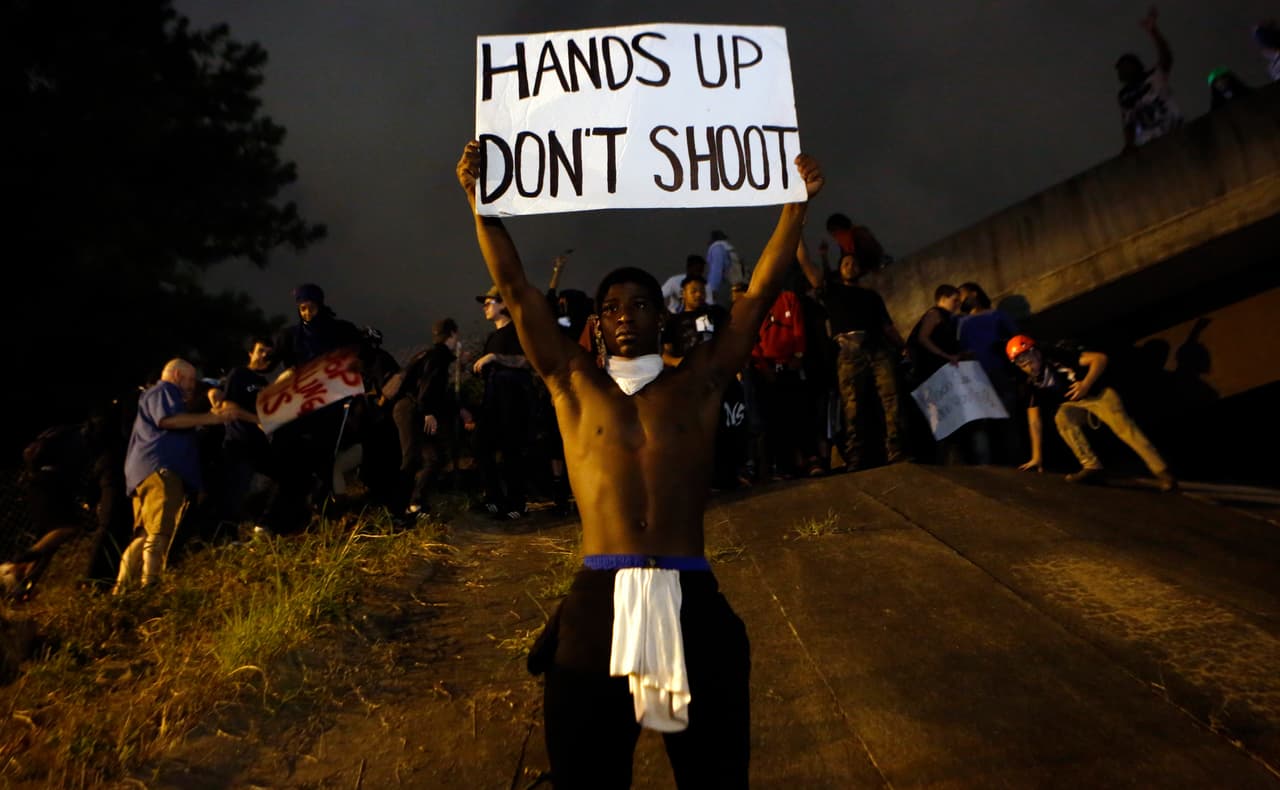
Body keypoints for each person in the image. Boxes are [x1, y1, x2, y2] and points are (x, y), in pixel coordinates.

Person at [457, 139, 824, 788]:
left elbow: (760, 293)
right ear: (595, 327)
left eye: (641, 305)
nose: (626, 315)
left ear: (663, 318)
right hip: (601, 597)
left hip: (689, 596)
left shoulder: (699, 384)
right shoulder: (574, 384)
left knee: (714, 777)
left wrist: (793, 209)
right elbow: (516, 290)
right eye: (612, 308)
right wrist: (481, 206)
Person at [115, 359, 242, 593]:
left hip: (144, 471)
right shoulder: (165, 391)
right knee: (160, 530)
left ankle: (120, 589)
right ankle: (150, 585)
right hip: (162, 468)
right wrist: (212, 418)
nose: (193, 386)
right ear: (176, 375)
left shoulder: (159, 396)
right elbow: (167, 420)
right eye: (191, 380)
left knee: (143, 534)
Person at [1008, 335, 1178, 492]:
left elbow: (1100, 359)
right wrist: (1036, 457)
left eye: (1029, 360)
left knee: (1125, 429)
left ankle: (1163, 473)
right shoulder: (1031, 383)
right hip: (1077, 404)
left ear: (1036, 352)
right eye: (1022, 364)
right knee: (1063, 417)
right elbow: (1034, 421)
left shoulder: (1057, 355)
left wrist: (1086, 384)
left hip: (1099, 395)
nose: (1028, 367)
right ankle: (1091, 466)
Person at [796, 236, 907, 471]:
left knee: (890, 398)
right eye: (845, 263)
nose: (850, 267)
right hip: (848, 350)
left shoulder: (871, 296)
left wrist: (903, 346)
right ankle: (855, 455)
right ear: (839, 269)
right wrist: (797, 231)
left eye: (854, 263)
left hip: (876, 348)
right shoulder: (832, 291)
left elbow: (888, 327)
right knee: (852, 405)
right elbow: (806, 264)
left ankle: (895, 449)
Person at [393, 319, 469, 517]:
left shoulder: (429, 354)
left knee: (434, 458)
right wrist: (428, 412)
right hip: (411, 410)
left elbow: (438, 392)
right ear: (453, 334)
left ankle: (415, 504)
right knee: (411, 459)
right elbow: (429, 385)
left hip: (413, 408)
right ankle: (400, 510)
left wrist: (457, 409)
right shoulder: (439, 356)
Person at [474, 285, 534, 520]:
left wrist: (495, 358)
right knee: (480, 445)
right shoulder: (491, 337)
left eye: (489, 303)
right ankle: (494, 499)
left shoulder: (518, 331)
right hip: (492, 400)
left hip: (514, 401)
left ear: (503, 304)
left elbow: (528, 361)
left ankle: (517, 504)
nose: (484, 308)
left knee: (512, 451)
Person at [207, 337, 273, 526]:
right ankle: (227, 534)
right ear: (250, 353)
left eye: (268, 353)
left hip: (261, 444)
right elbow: (228, 406)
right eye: (261, 350)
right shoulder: (239, 374)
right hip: (239, 441)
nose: (264, 356)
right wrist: (257, 420)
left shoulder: (263, 381)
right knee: (235, 490)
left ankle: (259, 524)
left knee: (271, 481)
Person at [956, 282, 1020, 463]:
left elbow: (1016, 338)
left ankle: (1015, 462)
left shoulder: (996, 315)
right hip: (976, 377)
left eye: (962, 295)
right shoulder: (962, 322)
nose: (960, 300)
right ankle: (989, 467)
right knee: (982, 424)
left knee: (1008, 420)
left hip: (999, 371)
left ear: (974, 294)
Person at [1116, 6, 1183, 150]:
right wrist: (1129, 145)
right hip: (1147, 143)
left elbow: (1166, 57)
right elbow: (1128, 122)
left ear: (1137, 66)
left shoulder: (1154, 76)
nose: (1124, 70)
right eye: (1121, 69)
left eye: (1127, 66)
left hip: (1172, 130)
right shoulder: (1124, 95)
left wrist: (1153, 31)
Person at [705, 231, 744, 305]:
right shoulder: (730, 249)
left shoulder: (717, 249)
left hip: (727, 290)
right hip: (738, 288)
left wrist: (711, 292)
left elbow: (716, 272)